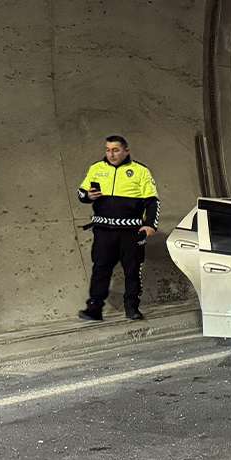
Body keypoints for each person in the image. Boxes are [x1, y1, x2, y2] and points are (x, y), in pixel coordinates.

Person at [76, 135, 160, 321]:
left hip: (131, 231)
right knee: (100, 269)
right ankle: (94, 309)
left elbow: (152, 202)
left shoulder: (140, 171)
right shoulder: (96, 169)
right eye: (108, 150)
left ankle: (132, 308)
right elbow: (81, 193)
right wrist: (88, 195)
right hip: (103, 230)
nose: (111, 154)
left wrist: (150, 225)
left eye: (115, 150)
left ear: (126, 151)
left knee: (132, 270)